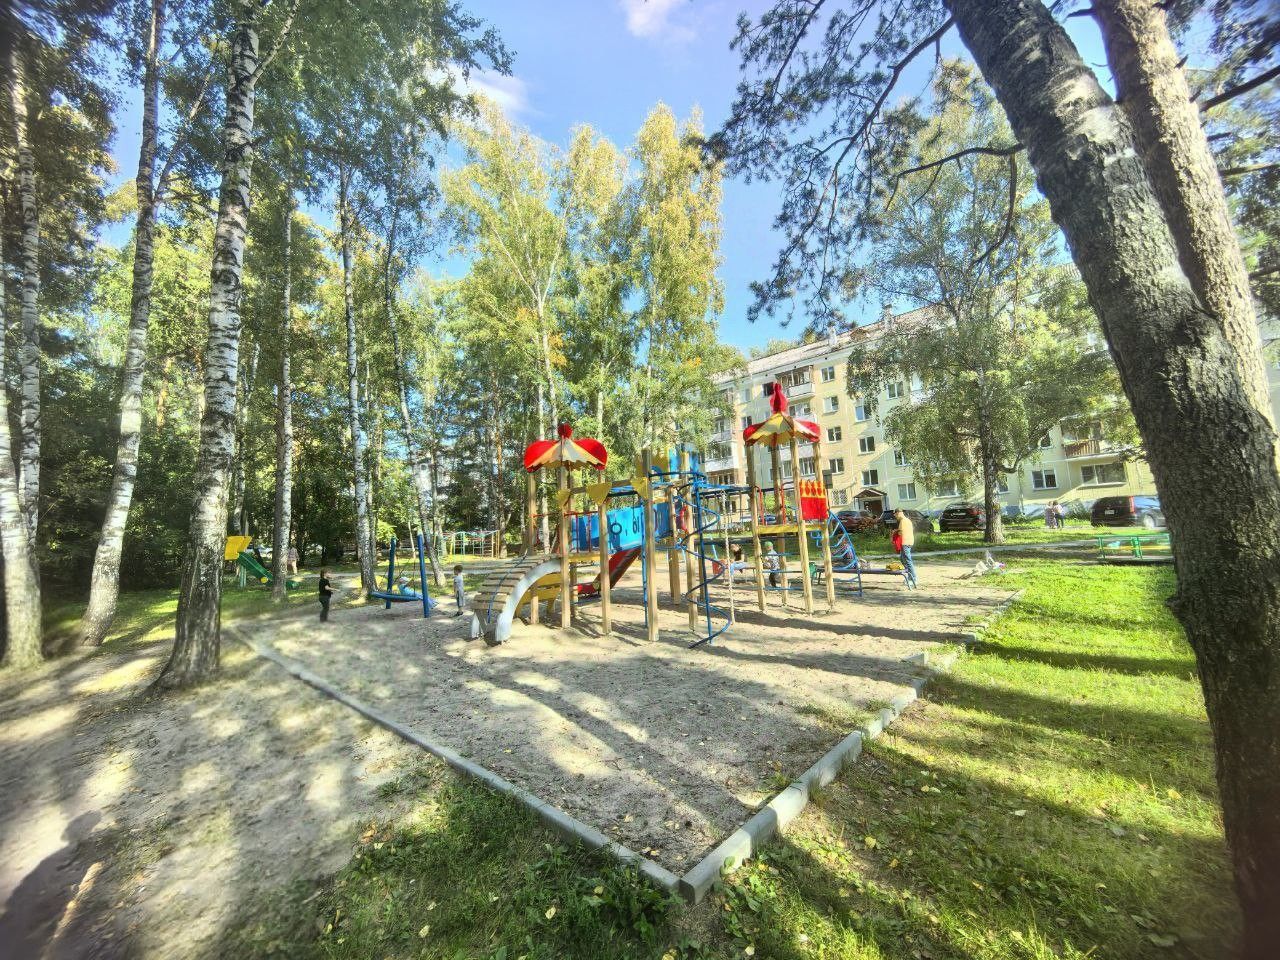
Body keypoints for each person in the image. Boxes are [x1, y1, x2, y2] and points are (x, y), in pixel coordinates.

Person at [894, 509, 918, 589]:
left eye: (895, 515)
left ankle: (913, 578)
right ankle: (909, 576)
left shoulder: (903, 521)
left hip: (905, 542)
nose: (895, 517)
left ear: (899, 513)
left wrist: (895, 532)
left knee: (908, 561)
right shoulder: (907, 520)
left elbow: (900, 532)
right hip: (908, 542)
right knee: (902, 559)